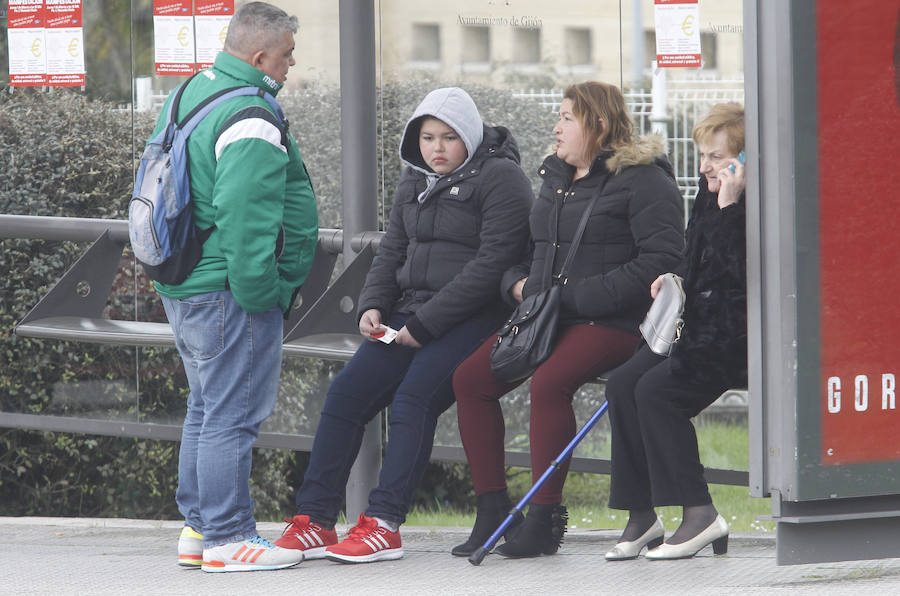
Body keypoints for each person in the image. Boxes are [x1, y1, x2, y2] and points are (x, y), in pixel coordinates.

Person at [274, 87, 533, 564]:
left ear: (471, 136)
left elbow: (492, 265)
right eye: (428, 137)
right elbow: (392, 250)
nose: (436, 148)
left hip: (474, 318)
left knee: (415, 398)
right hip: (408, 314)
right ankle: (315, 519)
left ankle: (384, 524)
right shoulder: (414, 179)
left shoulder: (502, 179)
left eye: (449, 138)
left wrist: (426, 325)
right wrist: (372, 306)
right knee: (347, 394)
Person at [451, 81, 685, 559]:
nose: (556, 128)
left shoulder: (643, 179)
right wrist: (515, 285)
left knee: (549, 382)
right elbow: (525, 251)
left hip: (616, 323)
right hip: (546, 316)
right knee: (469, 379)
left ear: (598, 126)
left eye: (567, 119)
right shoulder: (554, 177)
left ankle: (545, 518)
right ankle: (493, 509)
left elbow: (662, 258)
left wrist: (576, 298)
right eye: (558, 118)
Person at [156, 2, 318, 573]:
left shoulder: (193, 91)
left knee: (206, 407)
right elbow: (247, 220)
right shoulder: (250, 114)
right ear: (258, 56)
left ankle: (198, 530)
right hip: (230, 290)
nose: (290, 65)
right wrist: (265, 293)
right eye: (286, 54)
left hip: (186, 283)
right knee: (232, 415)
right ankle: (229, 538)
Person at [603, 102, 747, 561]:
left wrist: (729, 208)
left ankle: (700, 512)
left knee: (658, 393)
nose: (704, 166)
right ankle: (641, 513)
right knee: (623, 383)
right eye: (702, 154)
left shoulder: (743, 200)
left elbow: (736, 274)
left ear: (742, 161)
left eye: (715, 156)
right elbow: (697, 258)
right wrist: (676, 277)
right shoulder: (711, 194)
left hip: (734, 335)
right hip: (697, 325)